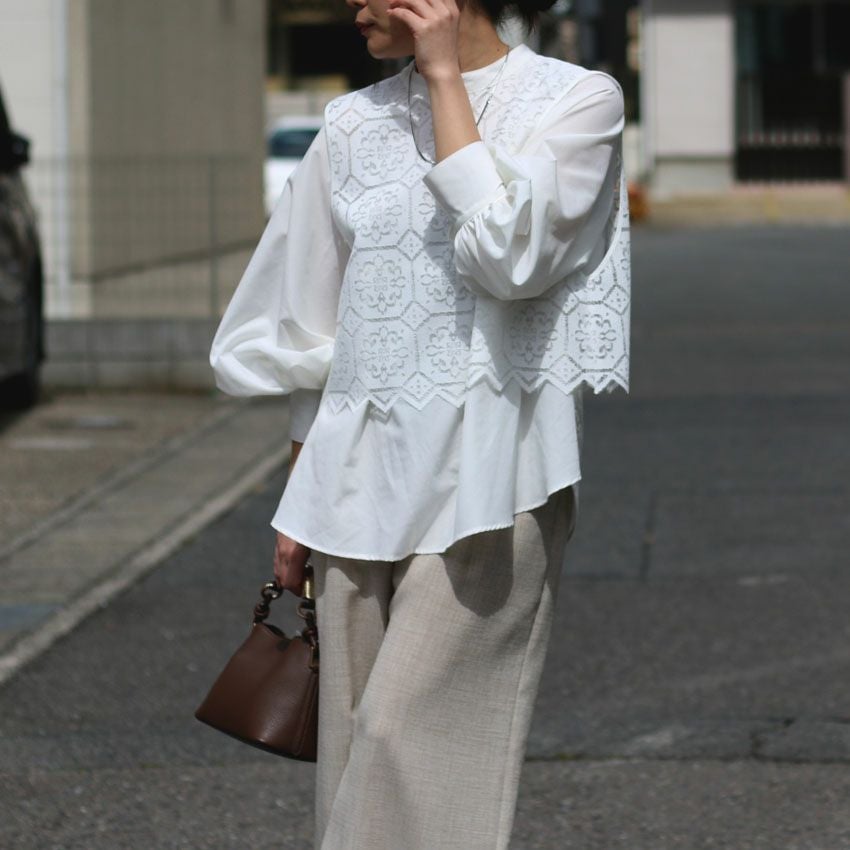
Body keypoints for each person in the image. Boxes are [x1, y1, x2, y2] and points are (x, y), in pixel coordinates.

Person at [209, 0, 630, 846]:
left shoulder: (577, 102)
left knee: (410, 742)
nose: (352, 5)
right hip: (352, 483)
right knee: (354, 749)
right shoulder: (349, 125)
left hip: (496, 478)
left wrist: (443, 79)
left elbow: (508, 259)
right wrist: (298, 500)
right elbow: (311, 325)